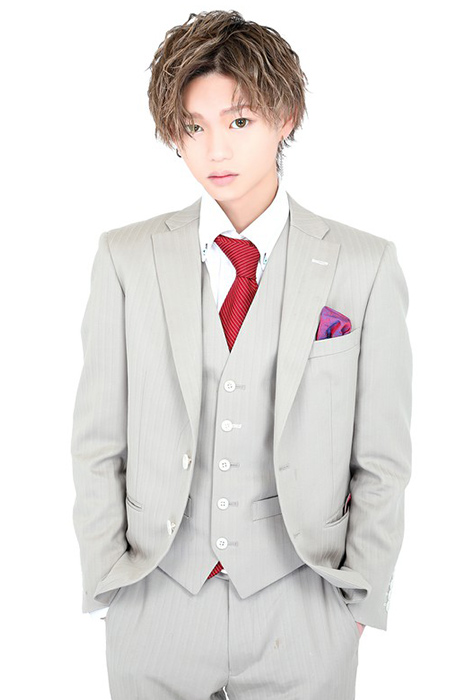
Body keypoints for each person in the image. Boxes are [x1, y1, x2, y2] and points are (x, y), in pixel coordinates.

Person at [71, 9, 412, 699]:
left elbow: (382, 456)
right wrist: (111, 582)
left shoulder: (364, 265)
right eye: (193, 127)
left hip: (303, 601)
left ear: (286, 118)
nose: (214, 150)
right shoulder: (125, 258)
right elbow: (98, 440)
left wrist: (358, 601)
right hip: (157, 600)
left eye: (240, 121)